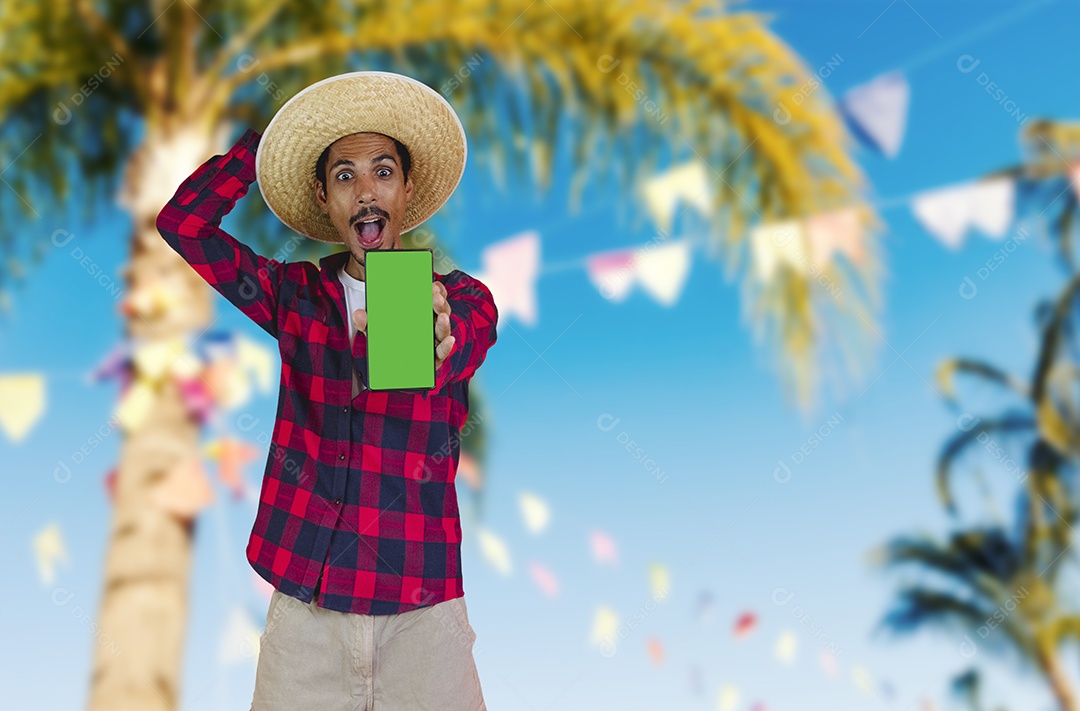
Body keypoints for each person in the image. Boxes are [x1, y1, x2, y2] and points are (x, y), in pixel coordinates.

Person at [155, 70, 497, 711]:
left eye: (383, 172)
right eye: (345, 176)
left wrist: (436, 336)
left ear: (407, 187)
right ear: (324, 197)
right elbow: (184, 225)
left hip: (422, 615)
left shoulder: (461, 299)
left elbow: (456, 342)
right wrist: (264, 147)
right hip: (305, 611)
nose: (367, 193)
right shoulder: (294, 296)